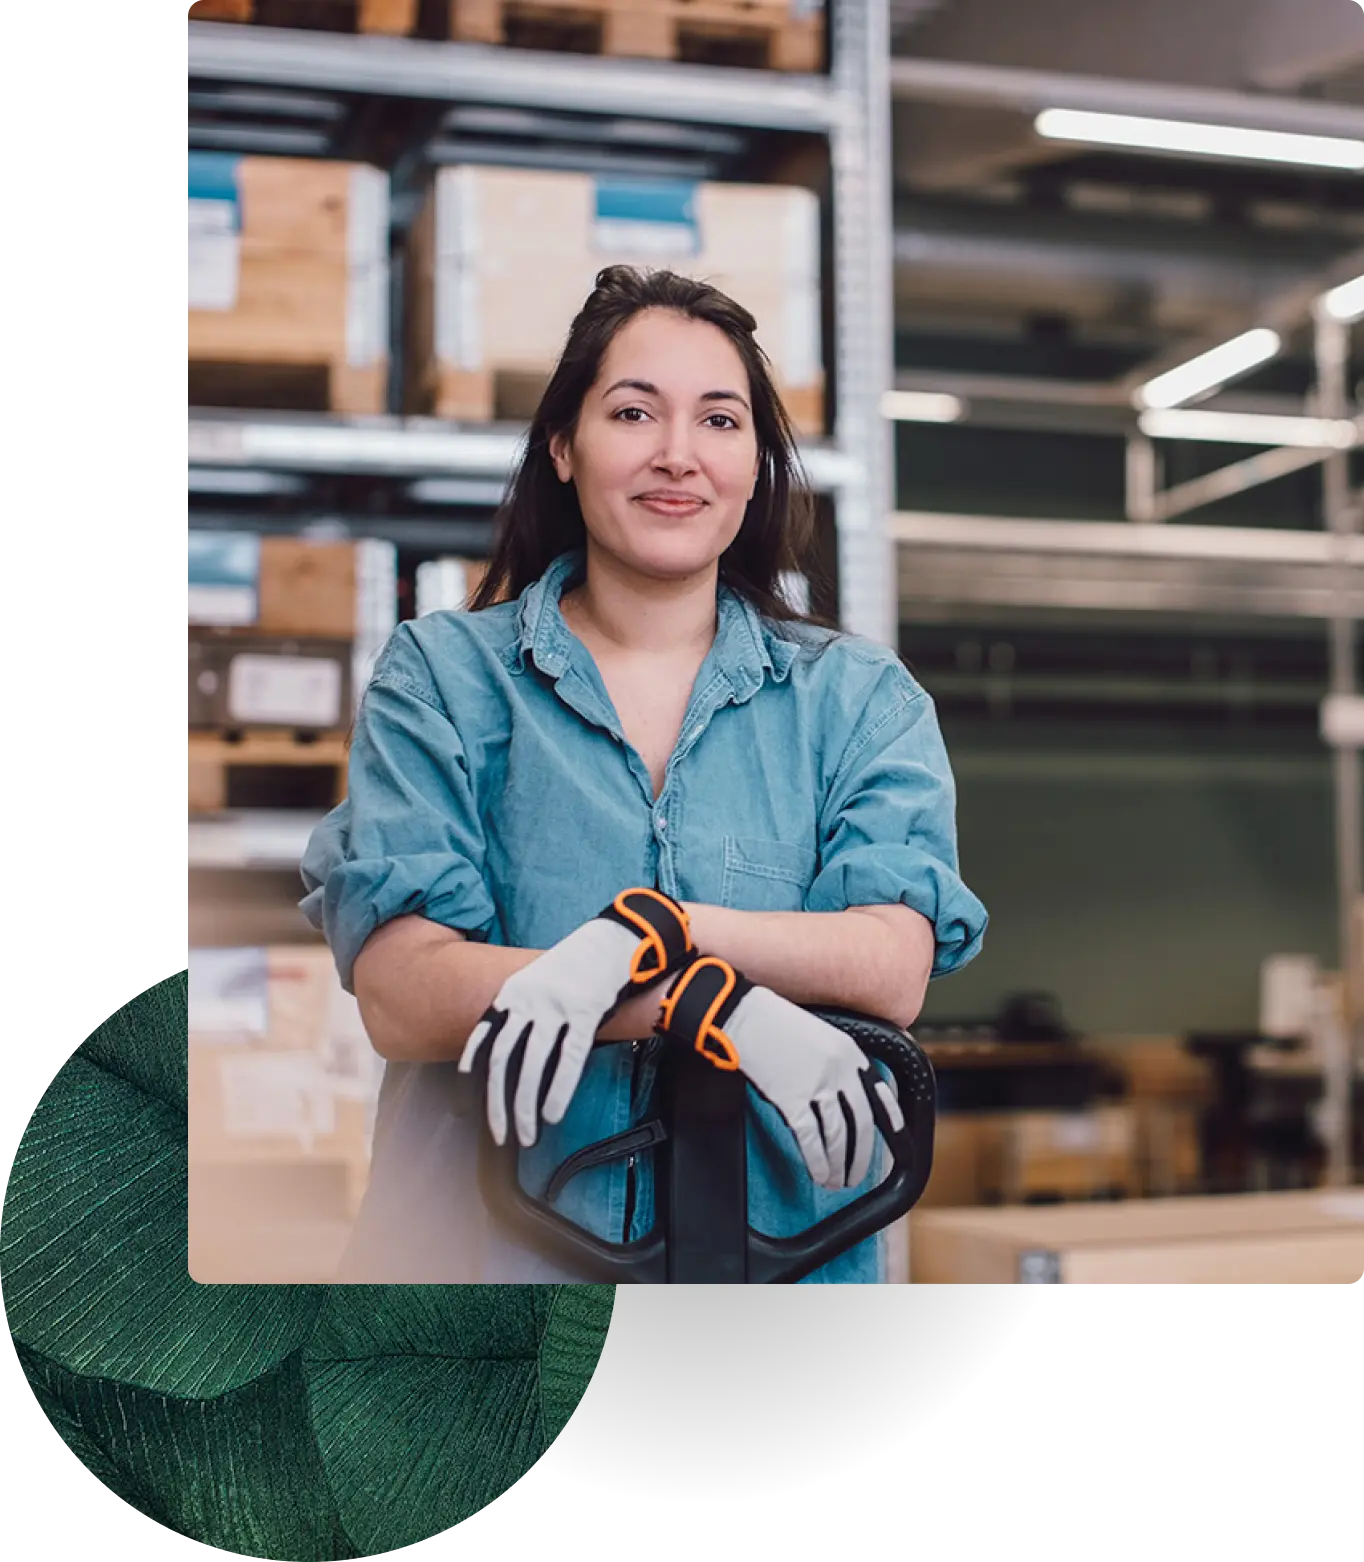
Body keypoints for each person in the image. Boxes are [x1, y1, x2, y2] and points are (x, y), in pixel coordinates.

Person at [299, 264, 989, 1283]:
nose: (678, 455)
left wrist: (654, 933)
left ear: (756, 465)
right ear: (564, 446)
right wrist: (700, 1004)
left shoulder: (857, 700)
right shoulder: (443, 677)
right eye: (633, 411)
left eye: (719, 421)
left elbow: (888, 960)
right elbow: (404, 992)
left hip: (778, 1291)